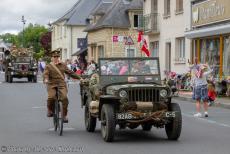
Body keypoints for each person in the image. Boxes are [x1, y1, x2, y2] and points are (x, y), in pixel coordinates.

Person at [43, 50, 82, 123]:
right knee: (51, 97)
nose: (56, 58)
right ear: (52, 58)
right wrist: (46, 79)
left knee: (64, 98)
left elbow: (70, 72)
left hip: (61, 84)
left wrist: (80, 78)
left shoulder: (63, 65)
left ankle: (64, 115)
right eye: (54, 57)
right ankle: (50, 110)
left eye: (57, 57)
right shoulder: (48, 66)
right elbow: (45, 74)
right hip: (51, 84)